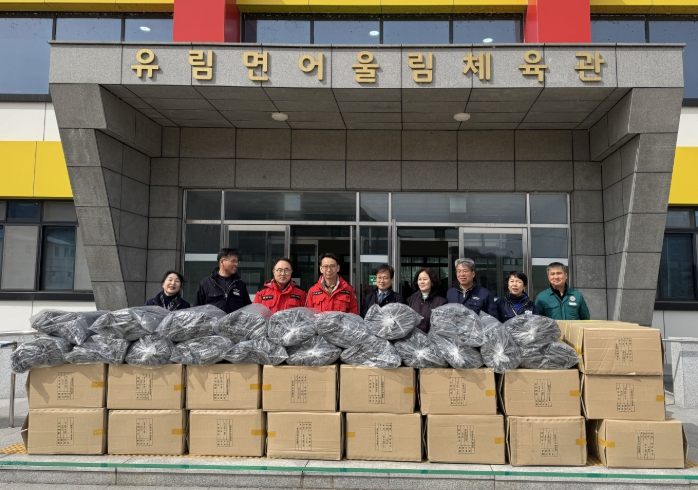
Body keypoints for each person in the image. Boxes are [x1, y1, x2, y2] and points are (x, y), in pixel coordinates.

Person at [194, 248, 252, 314]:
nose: (236, 264)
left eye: (237, 261)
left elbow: (247, 310)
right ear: (222, 262)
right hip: (212, 321)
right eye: (233, 261)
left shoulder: (240, 284)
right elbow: (196, 310)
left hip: (233, 321)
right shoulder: (206, 284)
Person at [406, 268, 447, 333]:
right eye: (419, 279)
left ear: (432, 281)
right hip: (414, 338)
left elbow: (443, 326)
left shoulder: (441, 302)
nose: (422, 282)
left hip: (433, 338)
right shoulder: (410, 300)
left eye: (425, 279)